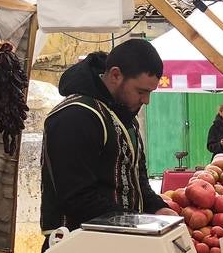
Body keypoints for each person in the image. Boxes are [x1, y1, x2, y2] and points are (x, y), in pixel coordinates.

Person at [40, 39, 174, 233]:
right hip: (77, 247)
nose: (146, 100)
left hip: (115, 241)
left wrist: (158, 207)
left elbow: (136, 176)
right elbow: (77, 197)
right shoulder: (75, 116)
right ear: (115, 75)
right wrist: (137, 223)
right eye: (141, 91)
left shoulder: (123, 114)